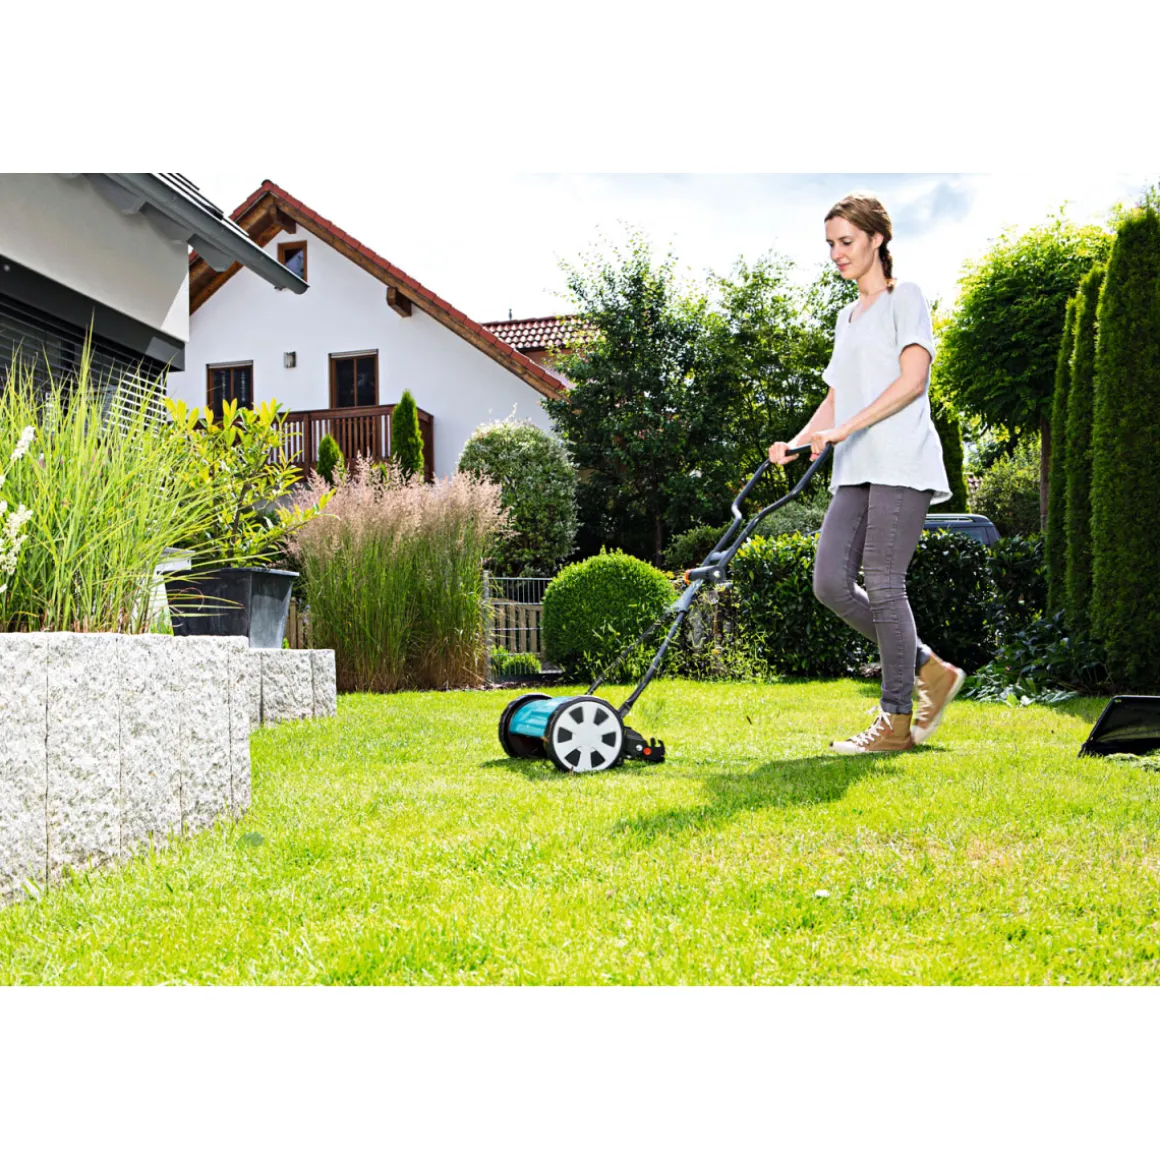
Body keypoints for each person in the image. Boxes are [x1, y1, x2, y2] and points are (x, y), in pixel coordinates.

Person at [769, 192, 965, 755]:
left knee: (883, 582)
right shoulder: (846, 317)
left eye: (846, 241)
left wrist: (844, 428)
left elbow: (913, 381)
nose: (836, 253)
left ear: (877, 239)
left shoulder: (906, 297)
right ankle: (930, 669)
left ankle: (896, 721)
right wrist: (798, 441)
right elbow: (837, 398)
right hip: (856, 466)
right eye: (830, 243)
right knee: (830, 583)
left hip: (900, 459)